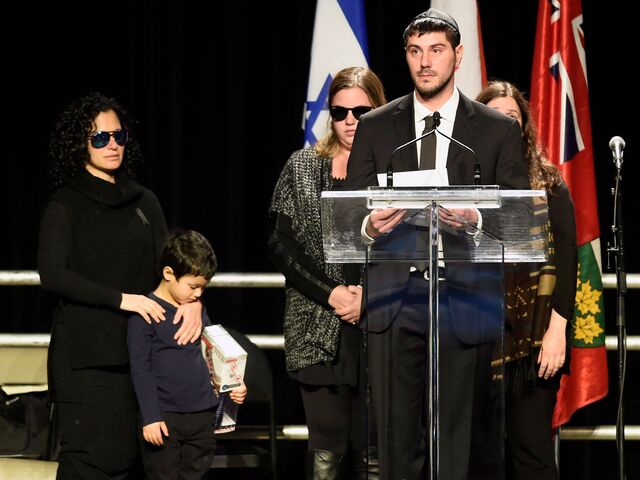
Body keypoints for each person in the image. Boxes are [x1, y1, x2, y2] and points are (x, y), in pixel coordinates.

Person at [342, 9, 531, 480]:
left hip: (463, 303)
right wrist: (371, 226)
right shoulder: (376, 126)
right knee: (398, 448)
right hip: (395, 303)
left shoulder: (495, 130)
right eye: (415, 51)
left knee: (458, 451)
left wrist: (474, 221)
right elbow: (348, 222)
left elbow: (519, 223)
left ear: (457, 55)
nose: (425, 62)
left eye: (436, 50)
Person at [38, 91, 203, 479]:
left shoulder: (145, 202)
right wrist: (122, 300)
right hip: (87, 359)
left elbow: (173, 267)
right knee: (93, 461)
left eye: (118, 136)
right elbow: (53, 275)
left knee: (137, 461)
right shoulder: (65, 205)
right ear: (80, 144)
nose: (112, 145)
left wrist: (193, 300)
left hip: (141, 356)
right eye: (99, 138)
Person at [268, 66, 386, 479]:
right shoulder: (302, 167)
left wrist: (367, 298)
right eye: (340, 112)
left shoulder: (396, 171)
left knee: (374, 448)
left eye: (361, 111)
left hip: (379, 325)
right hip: (317, 325)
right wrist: (333, 293)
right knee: (327, 446)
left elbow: (412, 250)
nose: (350, 121)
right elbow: (281, 246)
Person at [476, 80, 577, 479]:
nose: (503, 124)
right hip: (477, 338)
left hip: (535, 341)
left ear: (524, 126)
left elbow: (568, 262)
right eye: (494, 117)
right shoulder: (464, 184)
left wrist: (557, 330)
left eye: (512, 117)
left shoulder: (549, 182)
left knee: (532, 456)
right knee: (479, 458)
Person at [127, 229, 247, 480]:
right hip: (165, 418)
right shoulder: (145, 314)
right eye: (193, 286)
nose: (199, 294)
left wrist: (234, 383)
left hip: (202, 415)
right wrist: (150, 417)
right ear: (169, 273)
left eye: (203, 287)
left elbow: (214, 352)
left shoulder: (196, 310)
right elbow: (140, 369)